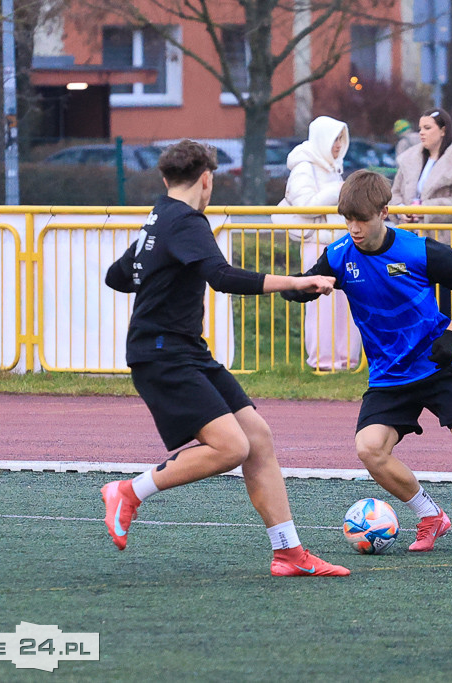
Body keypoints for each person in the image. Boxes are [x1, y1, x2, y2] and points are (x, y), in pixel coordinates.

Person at [101, 140, 349, 577]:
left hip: (185, 349)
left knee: (257, 436)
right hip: (162, 353)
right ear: (206, 180)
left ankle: (288, 552)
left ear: (165, 179)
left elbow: (117, 277)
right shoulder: (187, 221)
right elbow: (221, 277)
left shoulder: (158, 218)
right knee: (232, 446)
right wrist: (294, 282)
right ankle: (128, 491)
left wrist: (150, 266)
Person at [283, 170, 452, 552]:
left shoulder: (416, 250)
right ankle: (430, 515)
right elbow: (305, 285)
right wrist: (301, 288)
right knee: (369, 449)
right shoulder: (339, 255)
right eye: (348, 219)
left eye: (363, 219)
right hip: (389, 376)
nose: (354, 227)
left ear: (384, 212)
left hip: (438, 366)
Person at [275, 115, 363, 371]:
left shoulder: (334, 167)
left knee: (346, 303)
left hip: (342, 244)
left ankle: (346, 359)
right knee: (321, 304)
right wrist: (338, 191)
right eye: (334, 139)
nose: (337, 145)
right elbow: (305, 207)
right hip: (318, 244)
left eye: (341, 139)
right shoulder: (305, 167)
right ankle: (323, 360)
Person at [390, 108, 452, 318]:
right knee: (409, 297)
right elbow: (394, 193)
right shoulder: (410, 159)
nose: (421, 133)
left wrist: (425, 209)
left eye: (427, 128)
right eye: (420, 128)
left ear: (443, 130)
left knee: (441, 302)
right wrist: (401, 211)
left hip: (444, 240)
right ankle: (414, 345)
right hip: (410, 237)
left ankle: (442, 346)